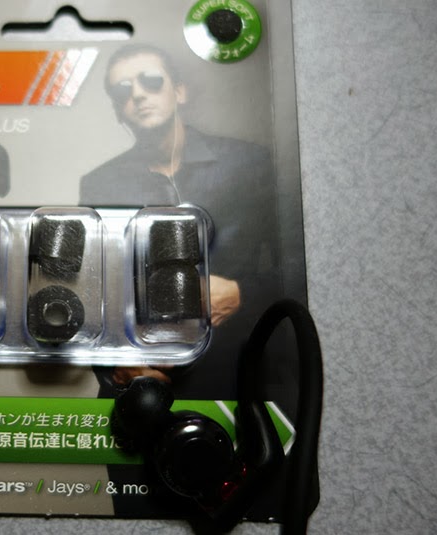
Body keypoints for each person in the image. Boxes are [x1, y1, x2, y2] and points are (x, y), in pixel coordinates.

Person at [80, 44, 284, 400]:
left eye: (151, 81)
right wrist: (114, 365)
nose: (138, 94)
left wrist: (242, 294)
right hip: (144, 388)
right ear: (117, 110)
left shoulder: (248, 162)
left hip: (240, 375)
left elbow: (299, 264)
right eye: (123, 90)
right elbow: (93, 293)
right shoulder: (99, 183)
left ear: (179, 91)